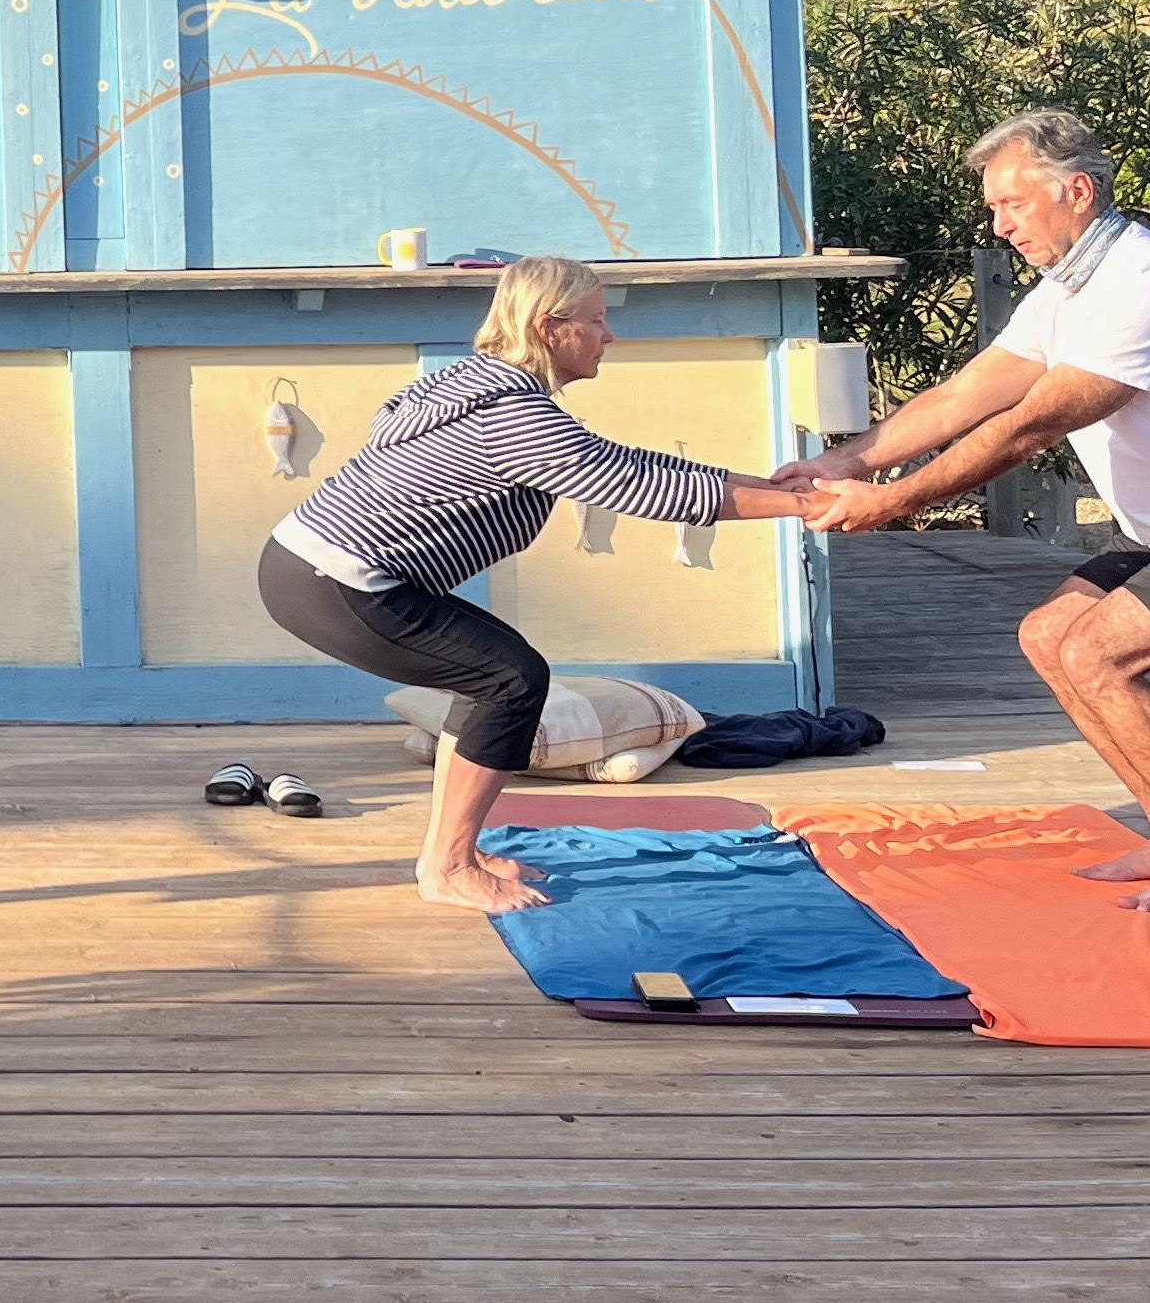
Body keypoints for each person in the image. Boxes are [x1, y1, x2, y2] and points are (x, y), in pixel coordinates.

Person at [779, 108, 1150, 916]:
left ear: (1077, 191)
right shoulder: (1071, 288)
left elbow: (1030, 425)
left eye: (1013, 204)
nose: (1000, 223)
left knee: (1099, 657)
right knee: (1048, 636)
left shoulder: (1148, 287)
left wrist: (893, 502)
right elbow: (966, 395)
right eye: (994, 208)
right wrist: (848, 462)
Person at [257, 254, 871, 914]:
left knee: (500, 677)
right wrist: (809, 508)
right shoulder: (511, 416)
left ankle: (452, 851)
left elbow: (625, 461)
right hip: (338, 581)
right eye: (597, 320)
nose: (610, 335)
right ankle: (448, 865)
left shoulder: (483, 386)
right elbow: (640, 487)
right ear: (551, 328)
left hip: (305, 564)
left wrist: (773, 486)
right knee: (507, 679)